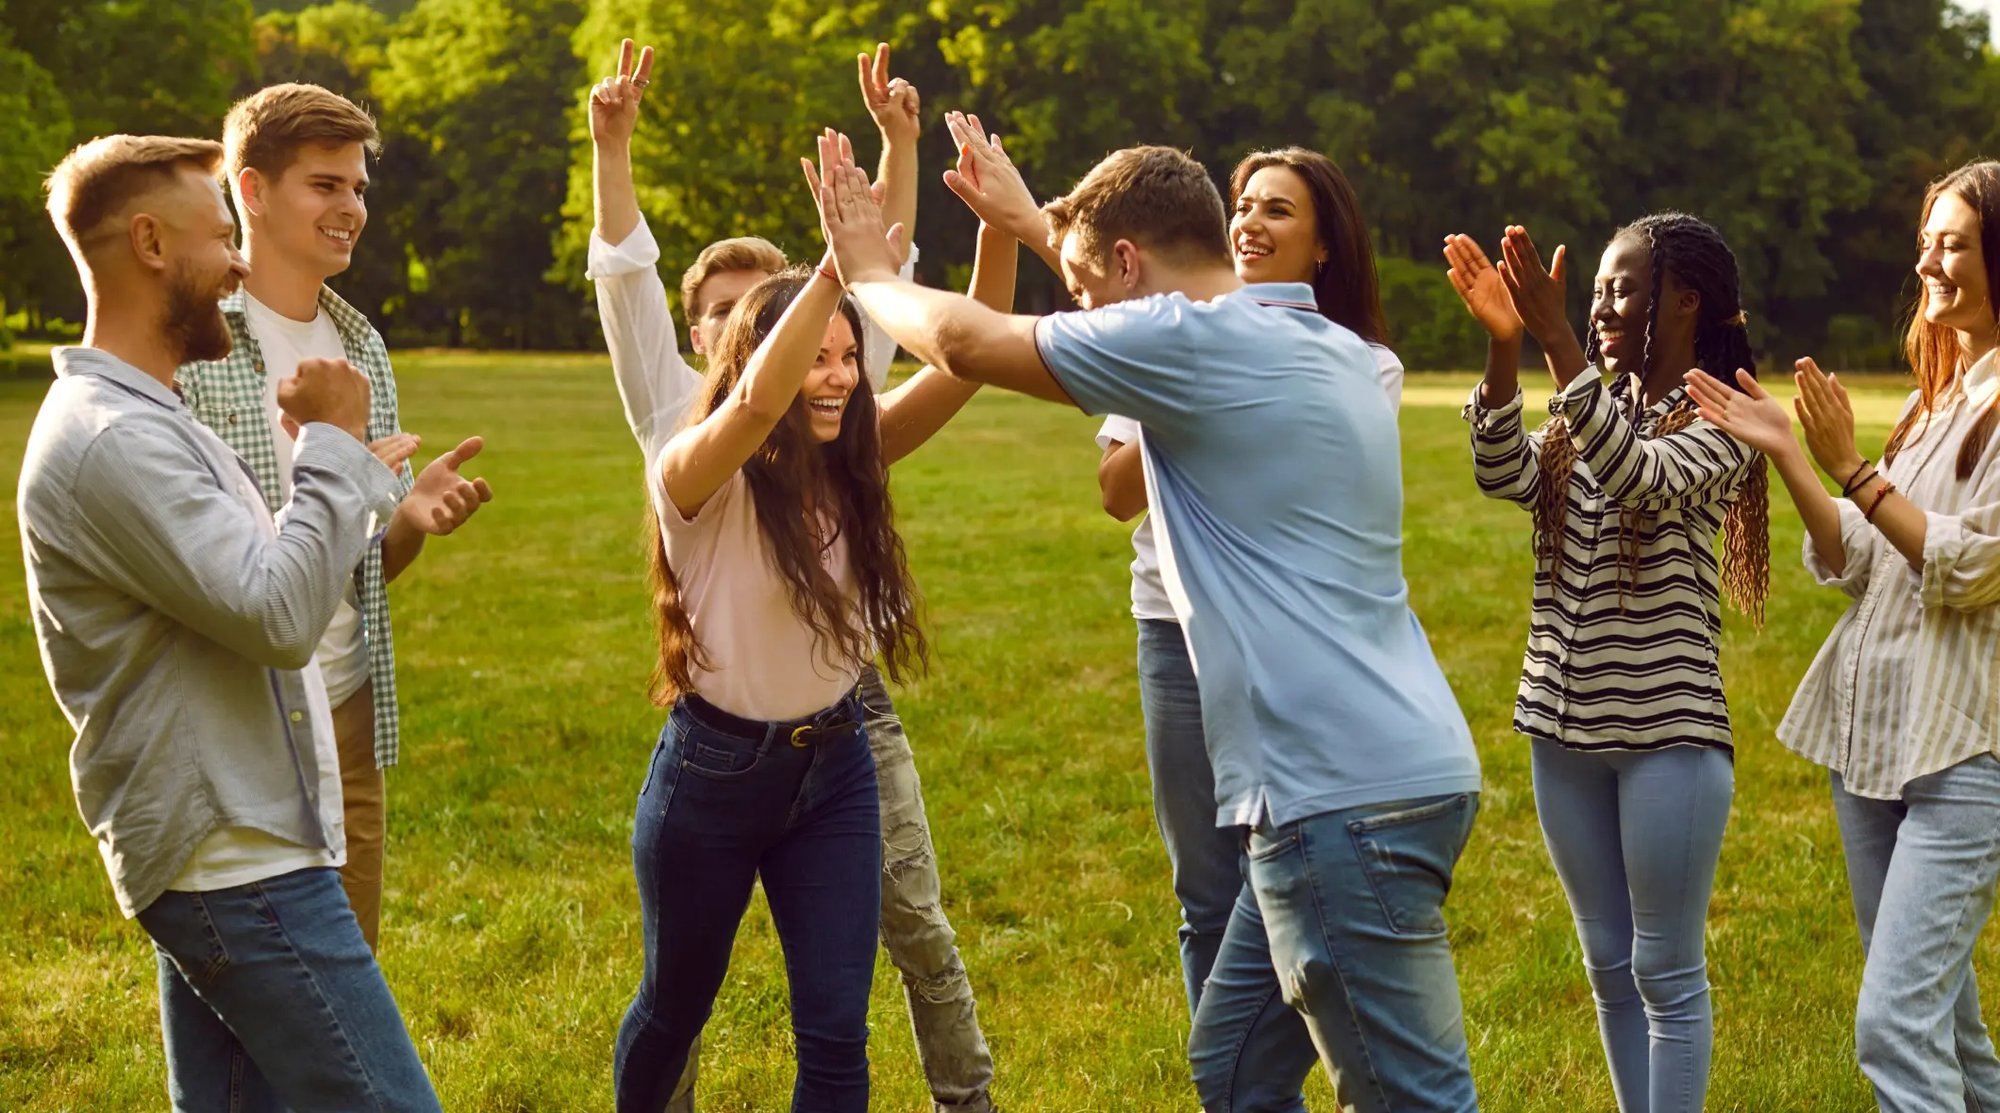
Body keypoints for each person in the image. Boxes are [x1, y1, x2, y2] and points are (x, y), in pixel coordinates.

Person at [817, 128, 1483, 1111]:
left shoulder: (1189, 343)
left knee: (1410, 1099)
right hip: (1390, 772)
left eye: (1086, 291)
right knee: (1235, 1069)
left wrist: (866, 269)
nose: (1083, 313)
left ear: (1129, 265)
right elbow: (1132, 290)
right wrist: (1041, 225)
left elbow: (960, 340)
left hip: (1334, 800)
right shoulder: (1329, 348)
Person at [586, 40, 998, 1113]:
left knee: (834, 1031)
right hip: (714, 776)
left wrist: (992, 229)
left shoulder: (847, 448)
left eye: (840, 355)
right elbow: (752, 393)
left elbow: (946, 357)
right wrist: (828, 265)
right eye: (808, 350)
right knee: (674, 1008)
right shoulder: (686, 458)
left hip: (838, 763)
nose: (835, 367)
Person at [21, 134, 439, 1111]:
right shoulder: (115, 439)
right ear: (152, 244)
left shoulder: (151, 417)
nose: (241, 263)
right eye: (222, 237)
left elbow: (262, 588)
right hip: (235, 864)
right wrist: (333, 445)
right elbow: (280, 614)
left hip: (240, 845)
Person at [1091, 143, 1403, 1106]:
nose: (1252, 223)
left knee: (1280, 872)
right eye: (1243, 204)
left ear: (1323, 249)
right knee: (1204, 887)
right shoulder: (1168, 334)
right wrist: (1191, 383)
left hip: (1275, 635)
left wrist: (1221, 390)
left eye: (1278, 210)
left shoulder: (1365, 365)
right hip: (1170, 625)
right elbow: (1112, 492)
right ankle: (1237, 1090)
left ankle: (1260, 1066)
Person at [1687, 159, 2000, 1113]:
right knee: (1945, 1026)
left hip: (1965, 751)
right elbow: (1861, 556)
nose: (1930, 262)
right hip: (1877, 738)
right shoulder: (1934, 399)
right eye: (1925, 243)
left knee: (1895, 1027)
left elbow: (1973, 567)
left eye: (1952, 243)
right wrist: (1791, 451)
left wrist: (1856, 469)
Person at [1441, 213, 1768, 1113]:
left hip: (1668, 736)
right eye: (1595, 292)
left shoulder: (1725, 413)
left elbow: (1645, 478)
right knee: (1609, 964)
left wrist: (1554, 342)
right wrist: (1508, 346)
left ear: (1687, 301)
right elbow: (1503, 473)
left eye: (1622, 288)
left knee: (1665, 965)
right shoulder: (1594, 400)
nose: (1601, 306)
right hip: (1560, 727)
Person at [177, 82, 494, 951]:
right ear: (250, 189)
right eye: (325, 185)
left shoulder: (362, 348)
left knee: (354, 962)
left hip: (348, 706)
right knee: (258, 988)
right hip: (239, 714)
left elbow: (358, 568)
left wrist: (409, 521)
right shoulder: (197, 344)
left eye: (358, 187)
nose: (351, 207)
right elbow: (194, 561)